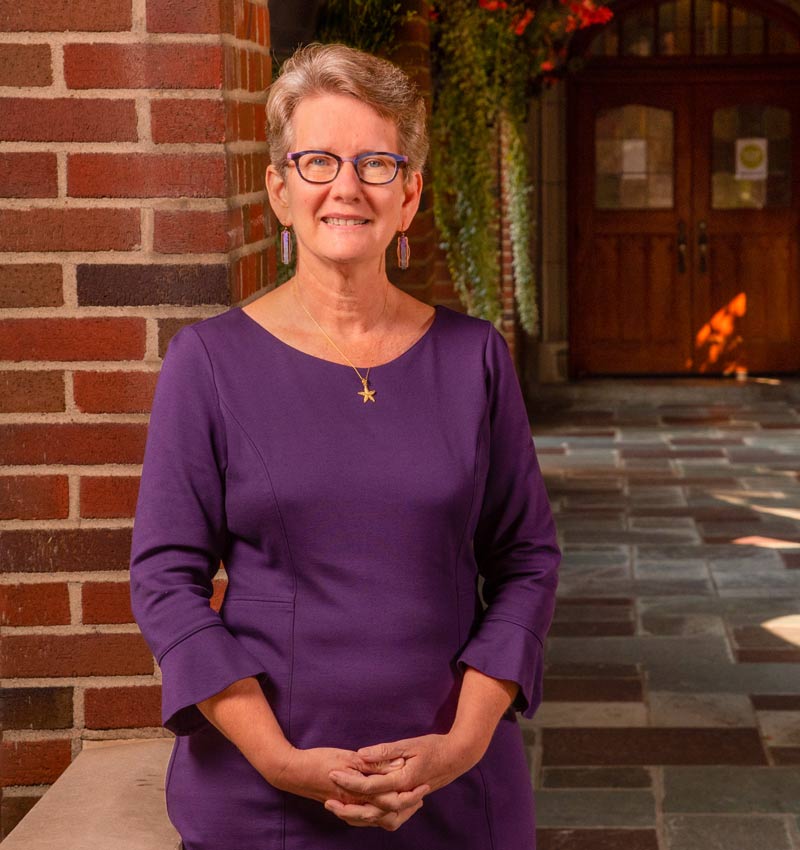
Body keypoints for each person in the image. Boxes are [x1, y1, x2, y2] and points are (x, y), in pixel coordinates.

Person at [129, 42, 559, 850]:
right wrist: (278, 758)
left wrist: (462, 745)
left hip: (459, 791)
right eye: (319, 160)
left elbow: (528, 560)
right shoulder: (208, 363)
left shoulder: (474, 358)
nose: (347, 187)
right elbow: (164, 579)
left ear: (411, 194)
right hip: (266, 796)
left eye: (376, 163)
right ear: (279, 188)